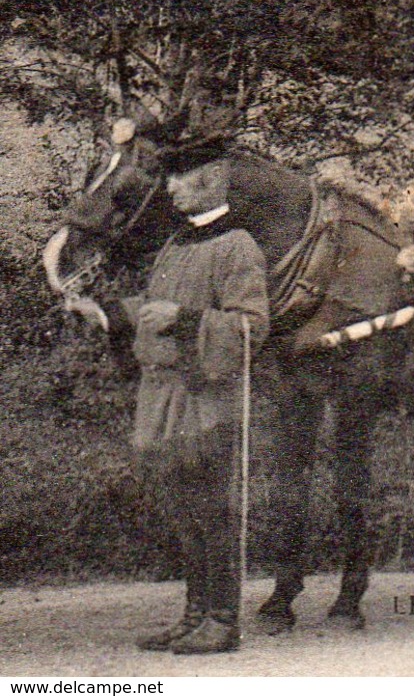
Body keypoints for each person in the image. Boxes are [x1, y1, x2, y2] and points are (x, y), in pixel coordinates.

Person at [75, 148, 269, 655]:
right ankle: (193, 617)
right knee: (184, 508)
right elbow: (153, 309)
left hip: (204, 397)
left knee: (211, 507)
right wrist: (105, 312)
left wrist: (183, 319)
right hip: (161, 392)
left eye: (181, 178)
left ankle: (223, 621)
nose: (171, 188)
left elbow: (251, 326)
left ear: (213, 179)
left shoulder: (238, 246)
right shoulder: (178, 243)